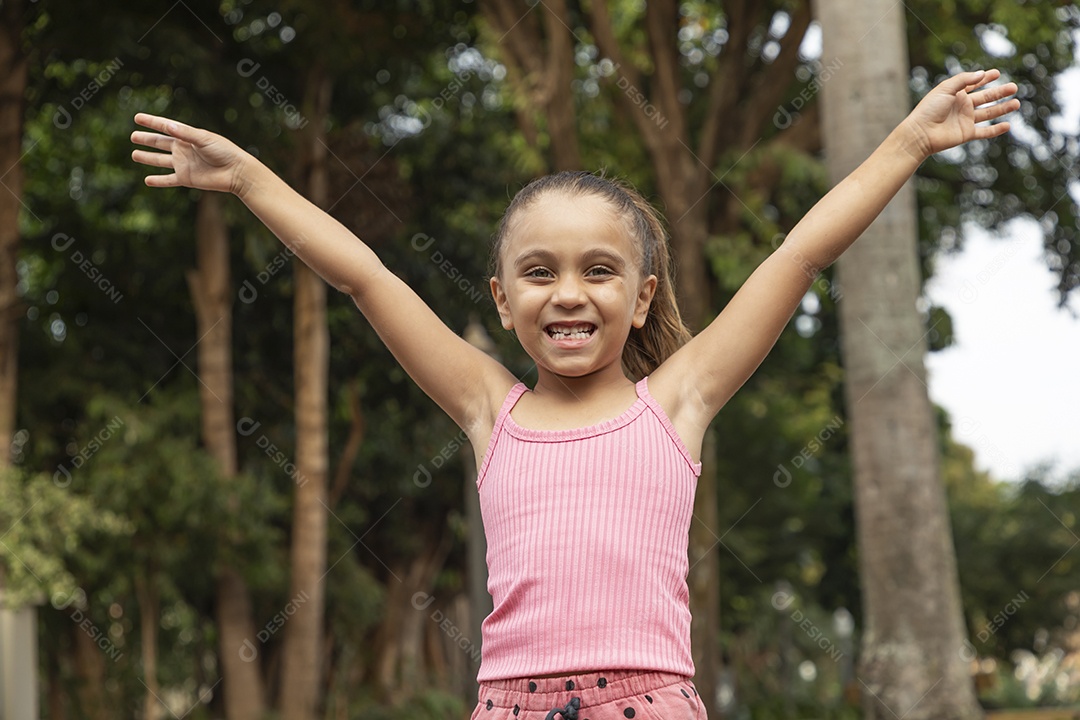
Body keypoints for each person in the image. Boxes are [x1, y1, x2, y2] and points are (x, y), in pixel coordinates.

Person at [131, 68, 1018, 720]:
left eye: (599, 271)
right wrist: (250, 179)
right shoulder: (490, 410)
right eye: (538, 272)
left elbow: (799, 255)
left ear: (640, 299)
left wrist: (909, 141)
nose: (567, 293)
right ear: (501, 301)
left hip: (653, 702)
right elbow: (364, 276)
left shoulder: (678, 402)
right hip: (509, 705)